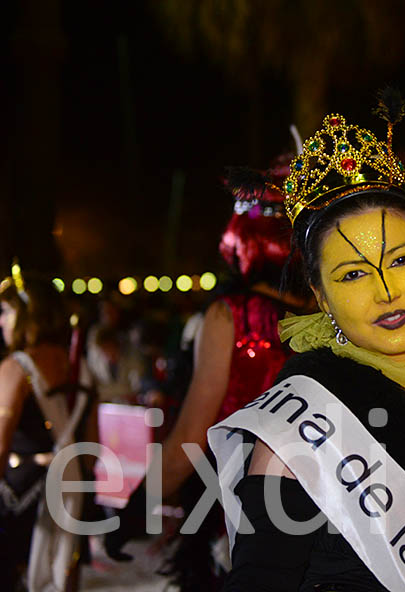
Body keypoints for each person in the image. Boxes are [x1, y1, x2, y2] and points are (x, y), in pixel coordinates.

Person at [208, 104, 405, 591]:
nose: (386, 289)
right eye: (352, 274)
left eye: (402, 259)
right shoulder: (305, 420)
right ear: (320, 293)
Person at [104, 151, 313, 588]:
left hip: (242, 520)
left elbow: (190, 438)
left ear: (243, 234)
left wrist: (136, 507)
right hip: (325, 514)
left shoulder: (229, 316)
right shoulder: (329, 314)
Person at [0, 266, 93, 591]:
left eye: (6, 311)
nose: (1, 321)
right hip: (73, 492)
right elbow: (91, 445)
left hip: (22, 499)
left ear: (26, 316)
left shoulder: (16, 368)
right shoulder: (80, 366)